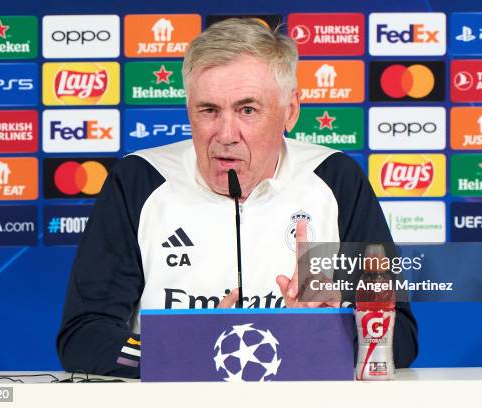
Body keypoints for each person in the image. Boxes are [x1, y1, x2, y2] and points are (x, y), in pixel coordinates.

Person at [56, 18, 418, 378]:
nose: (225, 134)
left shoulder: (333, 180)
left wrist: (319, 333)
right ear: (189, 110)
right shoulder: (140, 180)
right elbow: (83, 337)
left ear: (290, 110)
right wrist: (186, 350)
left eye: (248, 110)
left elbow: (399, 335)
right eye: (209, 110)